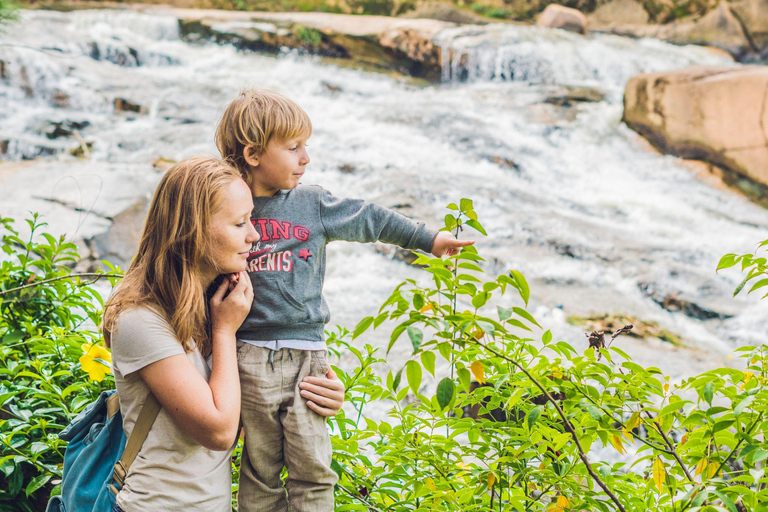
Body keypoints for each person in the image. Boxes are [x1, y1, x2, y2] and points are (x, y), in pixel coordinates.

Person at [215, 89, 474, 512]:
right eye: (294, 147)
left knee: (313, 468)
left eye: (306, 146)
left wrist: (427, 238)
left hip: (308, 357)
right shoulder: (223, 207)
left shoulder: (311, 203)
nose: (306, 158)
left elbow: (369, 217)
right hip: (247, 354)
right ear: (254, 153)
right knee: (258, 469)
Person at [101, 156, 346, 512]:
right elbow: (218, 431)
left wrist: (312, 392)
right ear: (193, 230)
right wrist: (225, 331)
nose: (255, 235)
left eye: (252, 219)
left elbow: (249, 413)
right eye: (239, 223)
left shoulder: (218, 301)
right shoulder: (139, 319)